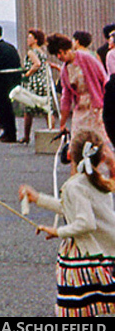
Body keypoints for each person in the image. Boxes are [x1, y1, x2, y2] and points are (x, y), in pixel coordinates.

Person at [19, 132, 115, 316]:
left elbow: (86, 222)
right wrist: (39, 199)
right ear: (102, 158)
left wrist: (58, 231)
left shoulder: (75, 186)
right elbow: (71, 209)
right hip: (105, 252)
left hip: (84, 255)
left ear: (69, 154)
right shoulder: (97, 182)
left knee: (74, 310)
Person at [49, 32, 114, 167]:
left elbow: (104, 80)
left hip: (96, 106)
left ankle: (112, 173)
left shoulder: (86, 59)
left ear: (67, 49)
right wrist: (63, 121)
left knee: (101, 144)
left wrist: (107, 104)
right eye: (57, 54)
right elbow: (66, 98)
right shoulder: (65, 69)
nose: (59, 57)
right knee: (76, 147)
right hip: (80, 108)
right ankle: (75, 179)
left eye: (61, 53)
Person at [16, 29, 55, 144]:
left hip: (34, 82)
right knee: (47, 109)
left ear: (35, 40)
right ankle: (52, 132)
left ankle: (26, 136)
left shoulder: (31, 52)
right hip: (43, 82)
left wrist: (27, 74)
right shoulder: (42, 51)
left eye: (30, 38)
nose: (27, 40)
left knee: (28, 110)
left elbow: (37, 64)